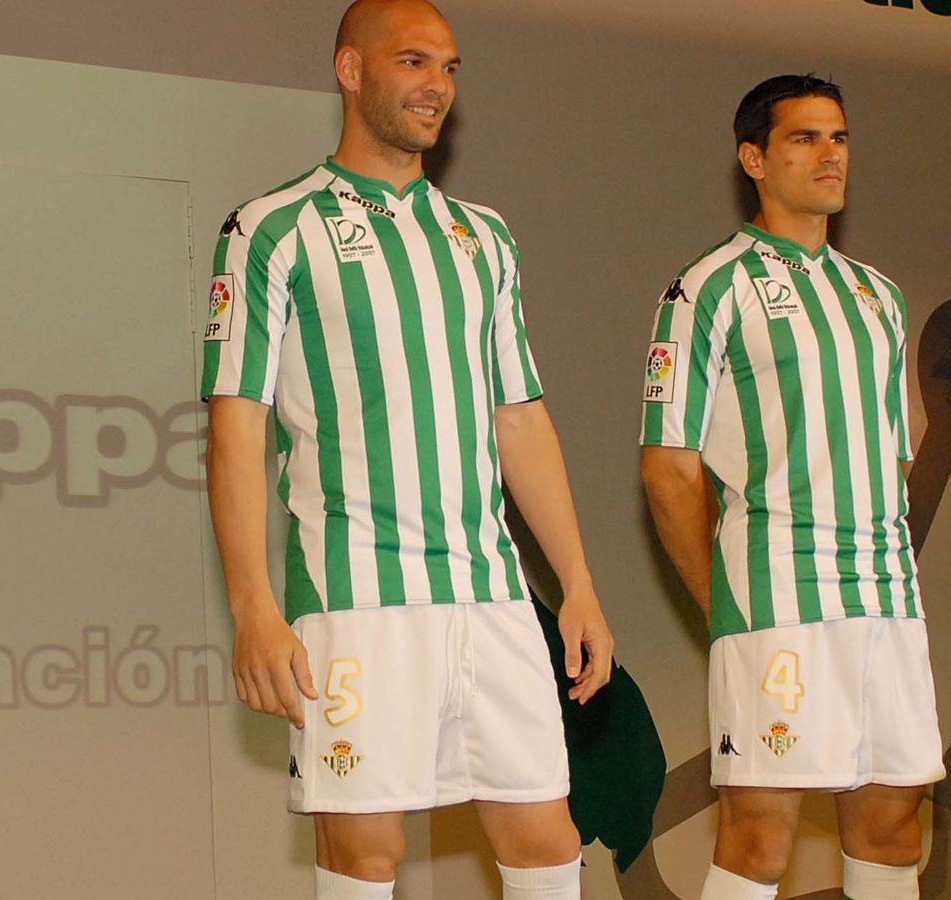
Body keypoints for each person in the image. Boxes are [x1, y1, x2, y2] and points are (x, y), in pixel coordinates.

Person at [202, 2, 613, 898]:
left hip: (492, 594)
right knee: (365, 857)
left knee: (547, 841)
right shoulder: (272, 227)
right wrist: (252, 605)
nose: (437, 86)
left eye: (451, 68)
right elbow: (237, 424)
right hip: (356, 601)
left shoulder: (484, 237)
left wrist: (576, 581)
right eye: (414, 62)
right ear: (351, 71)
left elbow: (520, 420)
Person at [639, 75, 944, 900]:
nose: (829, 154)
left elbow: (897, 453)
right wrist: (724, 601)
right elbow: (668, 469)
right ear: (755, 160)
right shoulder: (709, 287)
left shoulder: (879, 295)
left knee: (892, 828)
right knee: (759, 837)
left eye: (839, 137)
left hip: (885, 600)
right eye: (804, 138)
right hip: (775, 593)